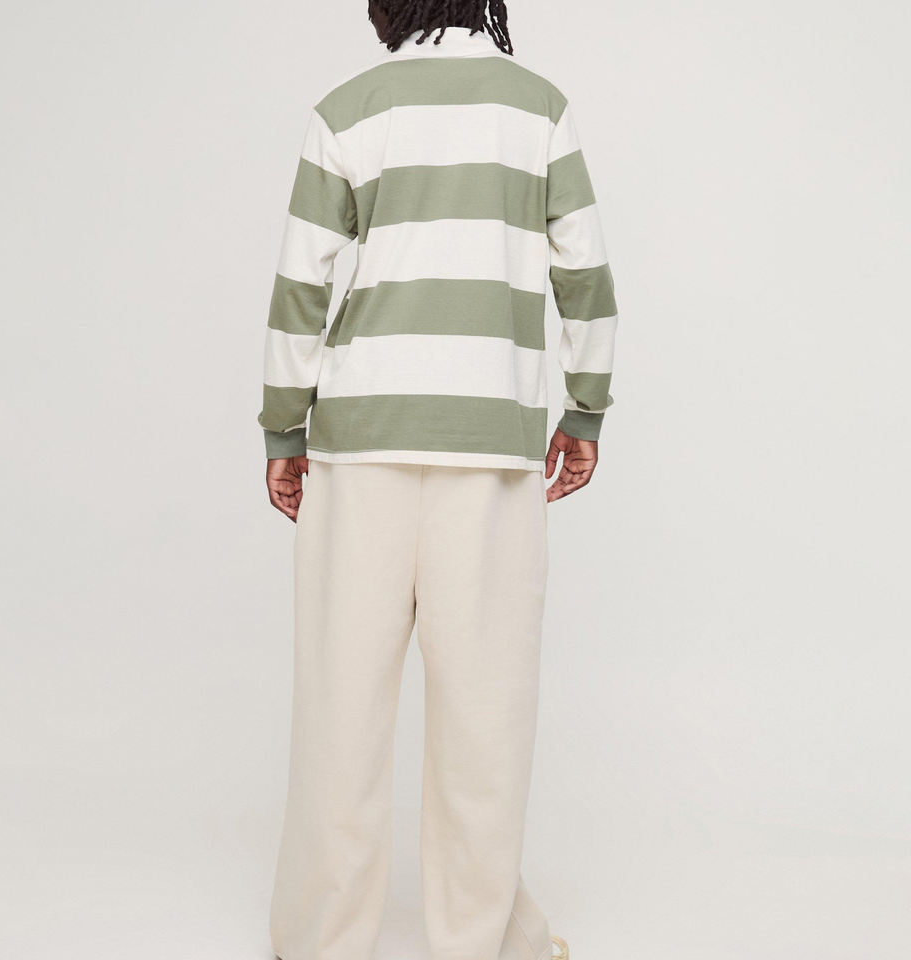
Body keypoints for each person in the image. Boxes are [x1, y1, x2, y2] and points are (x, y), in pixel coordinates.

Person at [259, 2, 618, 958]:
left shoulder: (348, 109)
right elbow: (585, 277)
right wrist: (584, 408)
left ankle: (321, 939)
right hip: (491, 447)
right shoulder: (538, 109)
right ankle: (477, 937)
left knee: (339, 708)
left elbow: (299, 287)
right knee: (484, 716)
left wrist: (283, 427)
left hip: (359, 444)